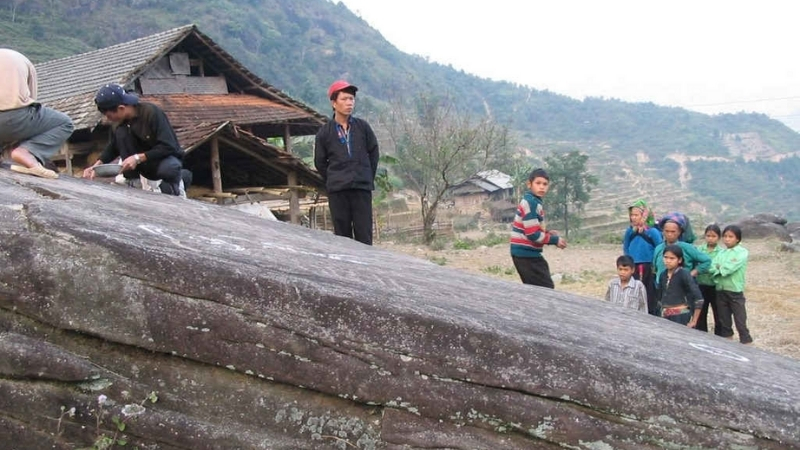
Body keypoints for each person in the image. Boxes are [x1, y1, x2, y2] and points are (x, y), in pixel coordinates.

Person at [83, 84, 188, 196]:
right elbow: (113, 147)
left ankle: (173, 189)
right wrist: (97, 165)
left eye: (109, 116)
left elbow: (168, 146)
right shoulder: (118, 124)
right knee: (122, 133)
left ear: (121, 108)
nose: (108, 119)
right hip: (135, 169)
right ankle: (133, 183)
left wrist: (138, 158)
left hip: (159, 161)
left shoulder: (151, 113)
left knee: (170, 168)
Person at [314, 80, 379, 245]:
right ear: (334, 103)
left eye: (351, 99)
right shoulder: (324, 133)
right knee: (342, 236)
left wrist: (366, 174)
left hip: (361, 188)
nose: (349, 103)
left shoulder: (362, 127)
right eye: (344, 99)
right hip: (338, 191)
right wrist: (334, 178)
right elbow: (320, 162)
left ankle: (366, 269)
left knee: (364, 234)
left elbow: (373, 152)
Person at [0, 48, 74, 179]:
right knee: (65, 123)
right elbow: (31, 100)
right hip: (16, 118)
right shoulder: (21, 59)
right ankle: (26, 152)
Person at [510, 168, 567, 288]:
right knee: (545, 288)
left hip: (527, 254)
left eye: (545, 184)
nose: (542, 187)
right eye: (538, 183)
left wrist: (547, 233)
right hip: (525, 255)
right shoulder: (531, 203)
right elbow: (532, 234)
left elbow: (531, 227)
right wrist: (554, 240)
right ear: (529, 184)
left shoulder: (534, 201)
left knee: (538, 288)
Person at [652, 213, 711, 315]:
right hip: (662, 289)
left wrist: (692, 273)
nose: (669, 234)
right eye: (666, 231)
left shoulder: (687, 248)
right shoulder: (658, 248)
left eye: (673, 231)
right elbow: (655, 267)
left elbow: (706, 261)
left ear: (679, 232)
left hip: (681, 291)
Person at [709, 225, 753, 344]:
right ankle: (728, 347)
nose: (727, 239)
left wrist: (720, 268)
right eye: (725, 236)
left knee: (740, 322)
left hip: (734, 291)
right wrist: (719, 268)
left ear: (737, 239)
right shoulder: (721, 253)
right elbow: (712, 267)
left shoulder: (742, 252)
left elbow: (729, 269)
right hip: (720, 290)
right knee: (724, 322)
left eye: (731, 237)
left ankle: (747, 345)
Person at [622, 199, 662, 315]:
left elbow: (659, 248)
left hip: (649, 266)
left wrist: (656, 265)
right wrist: (627, 263)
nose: (633, 218)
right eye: (632, 215)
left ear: (644, 215)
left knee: (649, 292)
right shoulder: (629, 231)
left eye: (636, 215)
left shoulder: (652, 232)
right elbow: (626, 246)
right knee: (633, 291)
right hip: (633, 266)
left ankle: (651, 313)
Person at [657, 244, 705, 327]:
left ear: (679, 260)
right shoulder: (663, 275)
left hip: (680, 316)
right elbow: (660, 297)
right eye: (666, 257)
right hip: (664, 314)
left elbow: (699, 299)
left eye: (672, 258)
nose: (668, 261)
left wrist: (694, 321)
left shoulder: (684, 274)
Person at [695, 224, 723, 334]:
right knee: (701, 311)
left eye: (713, 236)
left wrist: (703, 268)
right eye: (708, 236)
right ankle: (701, 335)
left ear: (719, 238)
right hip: (701, 284)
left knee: (718, 312)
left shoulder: (722, 252)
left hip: (715, 286)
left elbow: (719, 267)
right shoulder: (699, 250)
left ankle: (719, 336)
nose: (710, 238)